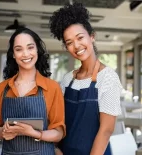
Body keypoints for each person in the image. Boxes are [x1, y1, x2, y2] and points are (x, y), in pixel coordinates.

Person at [49, 2, 122, 155]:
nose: (76, 45)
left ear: (92, 36)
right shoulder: (68, 79)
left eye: (80, 37)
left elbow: (106, 131)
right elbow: (58, 123)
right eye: (69, 42)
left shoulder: (107, 78)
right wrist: (55, 149)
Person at [0, 27, 65, 155]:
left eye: (30, 47)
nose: (25, 54)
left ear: (37, 50)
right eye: (19, 49)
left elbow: (58, 133)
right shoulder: (2, 89)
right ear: (13, 55)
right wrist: (2, 132)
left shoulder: (52, 88)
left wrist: (34, 133)